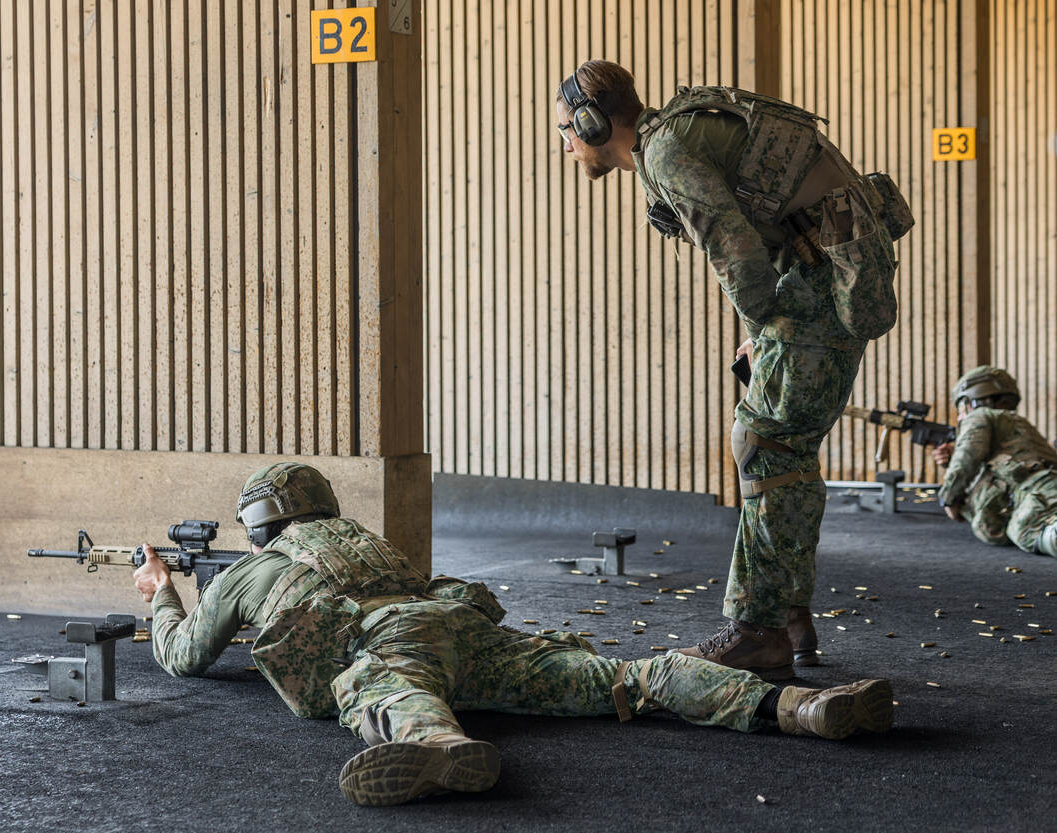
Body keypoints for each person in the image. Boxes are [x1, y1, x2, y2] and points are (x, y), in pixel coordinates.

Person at [133, 461, 894, 807]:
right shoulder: (365, 538)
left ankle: (438, 748)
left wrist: (161, 593)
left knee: (385, 686)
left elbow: (183, 656)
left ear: (261, 524)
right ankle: (795, 705)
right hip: (461, 628)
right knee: (624, 677)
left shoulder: (248, 572)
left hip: (391, 645)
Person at [556, 60, 911, 677]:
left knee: (768, 443)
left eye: (565, 129)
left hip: (821, 283)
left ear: (592, 124)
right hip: (825, 276)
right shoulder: (676, 135)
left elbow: (738, 255)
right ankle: (786, 611)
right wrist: (764, 331)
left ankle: (760, 629)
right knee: (779, 443)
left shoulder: (665, 151)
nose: (564, 144)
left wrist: (761, 328)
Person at [932, 366, 1057, 556]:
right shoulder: (1014, 428)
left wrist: (948, 497)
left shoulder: (980, 416)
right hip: (1040, 495)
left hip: (1042, 495)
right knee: (1024, 529)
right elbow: (990, 515)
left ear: (971, 401)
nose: (959, 417)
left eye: (960, 408)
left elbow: (967, 456)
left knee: (1028, 529)